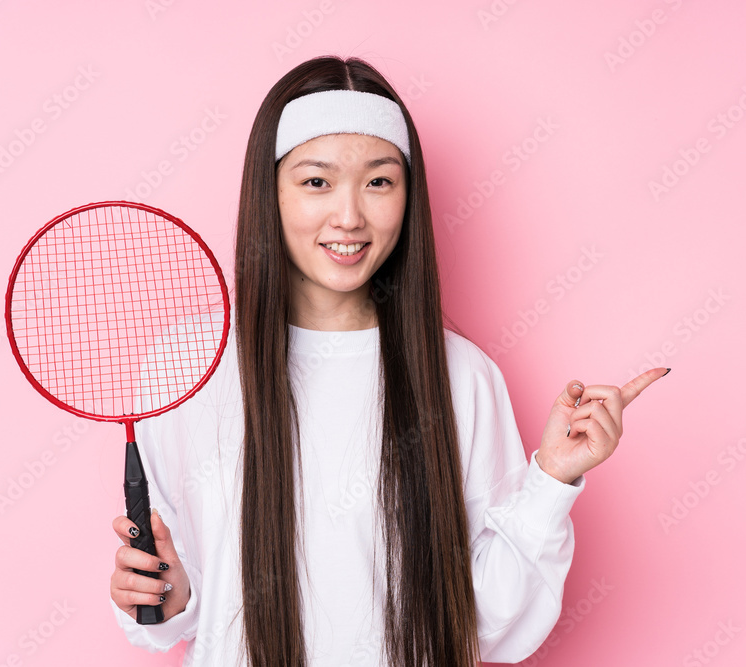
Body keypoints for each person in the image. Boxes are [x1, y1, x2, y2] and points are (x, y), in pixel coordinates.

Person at [108, 54, 669, 667]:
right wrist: (163, 593)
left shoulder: (461, 377)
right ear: (268, 192)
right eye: (316, 181)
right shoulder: (187, 366)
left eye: (378, 181)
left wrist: (553, 478)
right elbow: (166, 610)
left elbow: (489, 625)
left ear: (409, 195)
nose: (349, 217)